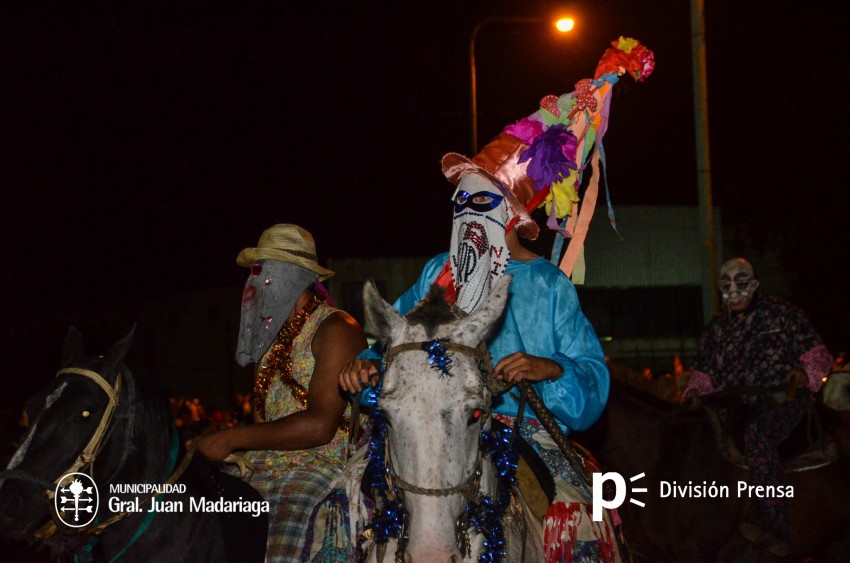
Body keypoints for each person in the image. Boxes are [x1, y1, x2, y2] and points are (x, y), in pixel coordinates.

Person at [194, 223, 367, 562]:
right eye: (255, 271)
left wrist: (230, 438)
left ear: (296, 274)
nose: (257, 281)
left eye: (266, 270)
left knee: (277, 540)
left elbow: (321, 426)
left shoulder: (335, 328)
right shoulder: (268, 339)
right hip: (267, 464)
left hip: (320, 463)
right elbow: (264, 422)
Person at [684, 257, 833, 556]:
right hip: (731, 407)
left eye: (741, 283)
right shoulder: (716, 330)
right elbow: (703, 374)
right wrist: (694, 392)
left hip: (781, 403)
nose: (733, 291)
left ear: (754, 285)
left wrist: (805, 375)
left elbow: (818, 356)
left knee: (758, 437)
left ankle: (774, 526)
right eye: (726, 285)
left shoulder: (785, 315)